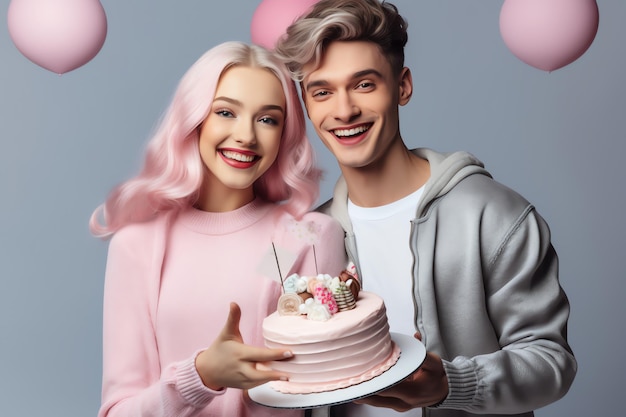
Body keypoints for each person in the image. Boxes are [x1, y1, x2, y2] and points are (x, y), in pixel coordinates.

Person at [274, 1, 577, 416]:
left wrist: (452, 384)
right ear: (307, 105)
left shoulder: (492, 215)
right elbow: (252, 314)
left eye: (364, 84)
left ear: (402, 86)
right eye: (322, 91)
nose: (344, 110)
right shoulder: (305, 232)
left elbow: (552, 362)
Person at [90, 41, 347, 417]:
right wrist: (202, 376)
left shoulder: (303, 236)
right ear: (195, 119)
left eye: (267, 119)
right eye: (226, 112)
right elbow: (118, 412)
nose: (246, 135)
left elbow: (330, 390)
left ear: (283, 134)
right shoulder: (140, 245)